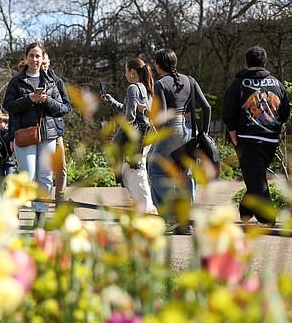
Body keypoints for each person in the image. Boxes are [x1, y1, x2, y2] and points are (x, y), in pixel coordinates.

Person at [222, 46, 290, 226]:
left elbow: (228, 111)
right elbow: (285, 111)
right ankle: (245, 210)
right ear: (264, 63)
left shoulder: (238, 84)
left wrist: (233, 135)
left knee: (257, 180)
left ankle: (267, 218)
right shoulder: (277, 84)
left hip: (247, 139)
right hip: (270, 139)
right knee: (256, 177)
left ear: (246, 63)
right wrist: (274, 127)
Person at [3, 42, 64, 226]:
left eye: (38, 56)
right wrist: (28, 99)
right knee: (26, 175)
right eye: (31, 56)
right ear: (26, 57)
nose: (35, 59)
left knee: (45, 176)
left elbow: (63, 108)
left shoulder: (52, 81)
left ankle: (40, 217)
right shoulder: (16, 81)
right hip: (25, 133)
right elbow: (8, 106)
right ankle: (13, 210)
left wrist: (47, 101)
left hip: (48, 134)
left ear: (43, 57)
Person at [147, 48, 211, 209]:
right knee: (186, 173)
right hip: (190, 132)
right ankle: (186, 219)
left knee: (156, 169)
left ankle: (168, 213)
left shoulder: (160, 84)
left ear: (158, 65)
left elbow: (161, 116)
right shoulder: (190, 80)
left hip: (171, 131)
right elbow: (207, 107)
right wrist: (204, 134)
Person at [103, 58, 157, 214]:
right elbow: (129, 111)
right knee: (135, 171)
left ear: (132, 72)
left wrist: (116, 140)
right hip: (145, 137)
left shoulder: (133, 88)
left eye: (126, 71)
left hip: (135, 139)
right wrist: (111, 101)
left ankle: (147, 209)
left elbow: (129, 118)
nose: (125, 74)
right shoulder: (147, 88)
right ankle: (145, 207)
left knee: (134, 173)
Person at [42, 52, 72, 204]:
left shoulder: (57, 81)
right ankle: (40, 200)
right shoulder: (28, 79)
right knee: (42, 169)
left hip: (55, 128)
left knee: (60, 166)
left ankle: (60, 198)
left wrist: (49, 102)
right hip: (36, 130)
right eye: (41, 61)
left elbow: (67, 107)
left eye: (45, 61)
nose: (43, 64)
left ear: (49, 61)